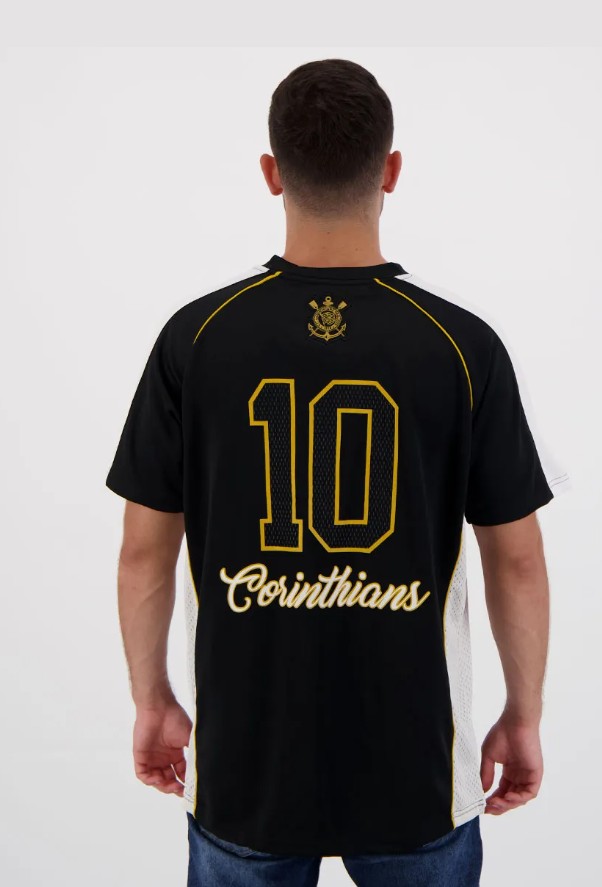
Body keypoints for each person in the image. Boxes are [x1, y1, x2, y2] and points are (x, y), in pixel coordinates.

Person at [105, 58, 570, 887]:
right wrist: (523, 714)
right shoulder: (462, 345)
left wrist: (152, 699)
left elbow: (144, 551)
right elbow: (518, 558)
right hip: (417, 771)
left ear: (271, 172)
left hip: (244, 770)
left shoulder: (197, 338)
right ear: (391, 170)